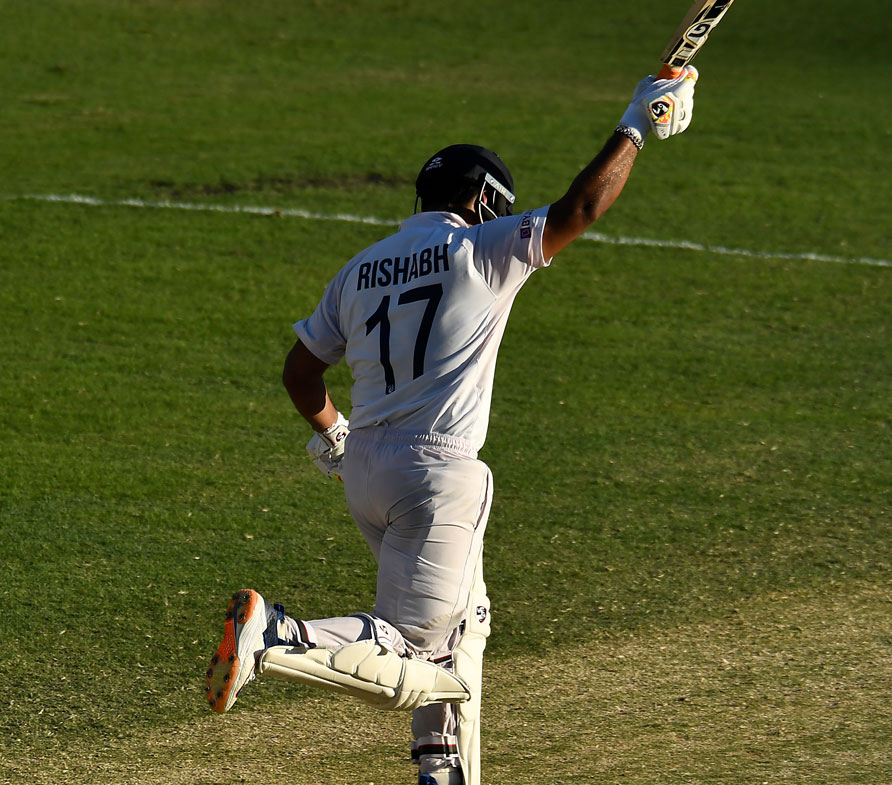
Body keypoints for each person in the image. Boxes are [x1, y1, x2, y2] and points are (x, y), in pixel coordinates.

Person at [205, 68, 699, 785]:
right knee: (413, 645)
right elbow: (583, 205)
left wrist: (335, 435)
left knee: (466, 620)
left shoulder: (360, 267)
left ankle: (441, 764)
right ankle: (278, 636)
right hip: (436, 477)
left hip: (366, 468)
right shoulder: (485, 249)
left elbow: (300, 374)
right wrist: (636, 123)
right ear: (480, 199)